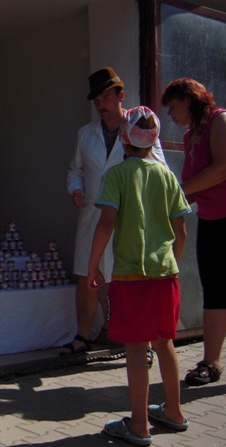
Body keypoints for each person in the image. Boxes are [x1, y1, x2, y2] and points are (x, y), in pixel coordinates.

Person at [88, 106, 191, 446]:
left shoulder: (117, 175)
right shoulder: (167, 176)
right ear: (155, 139)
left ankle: (139, 424)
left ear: (123, 137)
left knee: (136, 349)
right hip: (165, 274)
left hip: (131, 276)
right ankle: (174, 411)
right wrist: (171, 263)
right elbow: (181, 230)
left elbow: (106, 223)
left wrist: (93, 265)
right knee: (164, 343)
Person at [63, 67, 167, 356]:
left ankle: (142, 341)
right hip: (93, 216)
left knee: (128, 279)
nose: (101, 104)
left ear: (121, 96)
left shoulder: (139, 127)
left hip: (127, 219)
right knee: (86, 276)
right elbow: (75, 170)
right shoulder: (86, 134)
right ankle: (83, 335)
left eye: (106, 97)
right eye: (97, 99)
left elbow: (158, 167)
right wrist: (76, 188)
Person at [161, 78, 226, 386]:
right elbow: (193, 189)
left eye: (173, 106)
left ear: (188, 100)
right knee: (215, 292)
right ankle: (210, 364)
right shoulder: (190, 136)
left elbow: (222, 168)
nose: (170, 115)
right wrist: (162, 211)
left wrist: (179, 192)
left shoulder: (220, 121)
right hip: (211, 221)